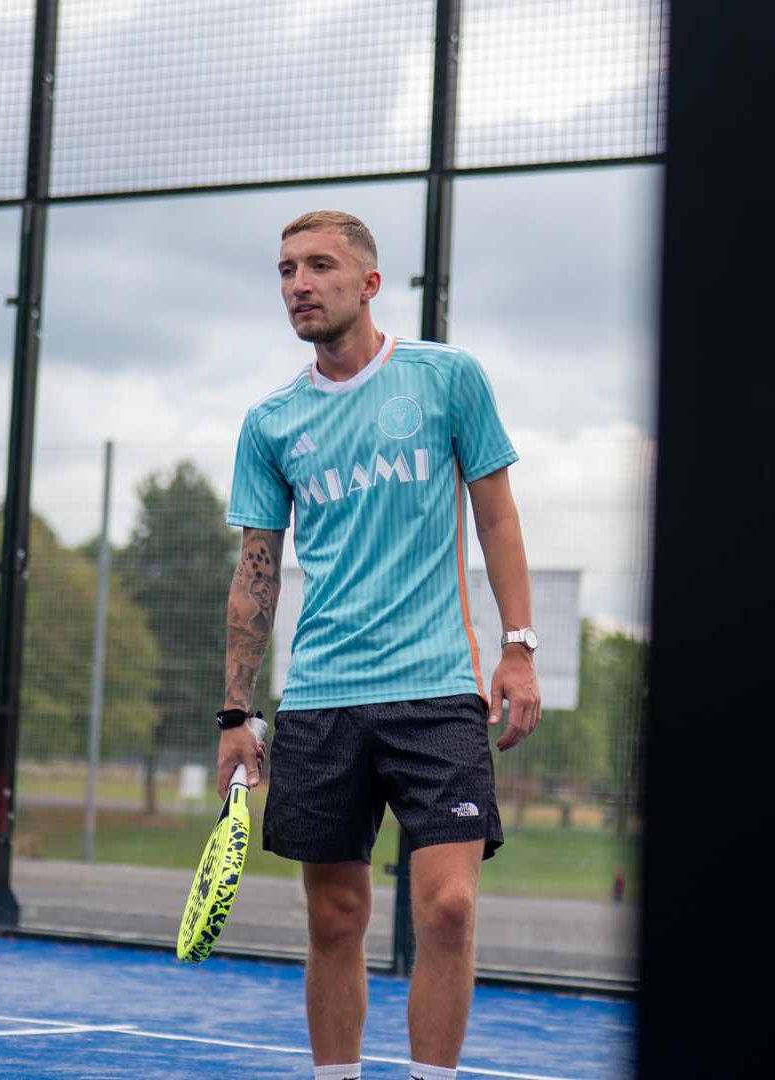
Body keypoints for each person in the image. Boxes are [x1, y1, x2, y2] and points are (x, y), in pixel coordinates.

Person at [217, 211, 541, 1080]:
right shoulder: (270, 422)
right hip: (320, 699)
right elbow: (255, 572)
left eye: (320, 266)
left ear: (368, 283)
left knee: (449, 910)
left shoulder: (446, 378)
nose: (299, 284)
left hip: (437, 690)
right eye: (286, 270)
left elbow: (497, 516)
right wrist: (236, 713)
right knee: (334, 919)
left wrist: (518, 647)